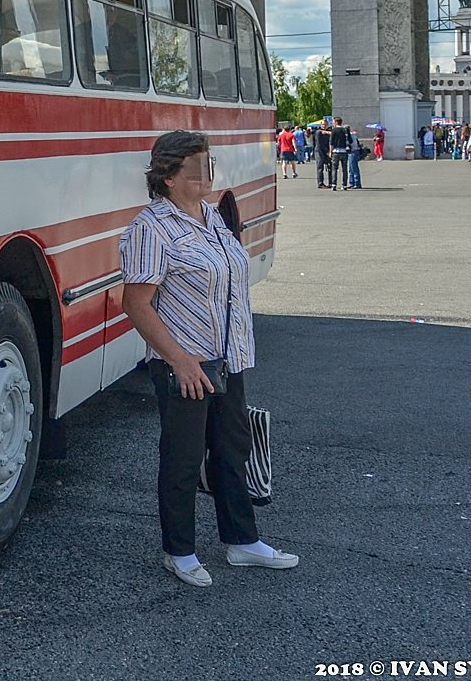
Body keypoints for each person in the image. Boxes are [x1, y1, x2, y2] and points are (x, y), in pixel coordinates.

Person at [120, 131, 298, 588]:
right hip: (187, 362)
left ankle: (242, 541)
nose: (207, 174)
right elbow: (137, 303)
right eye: (196, 167)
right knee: (182, 459)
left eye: (208, 164)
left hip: (229, 357)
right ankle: (178, 550)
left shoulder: (213, 218)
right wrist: (179, 360)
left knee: (229, 450)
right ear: (168, 176)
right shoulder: (151, 228)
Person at [329, 117, 351, 191]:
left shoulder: (334, 130)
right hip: (344, 151)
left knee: (334, 168)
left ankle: (334, 184)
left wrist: (330, 152)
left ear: (335, 122)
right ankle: (344, 185)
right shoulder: (345, 130)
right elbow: (350, 140)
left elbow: (331, 142)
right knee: (344, 169)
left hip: (336, 151)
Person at [311, 123, 332, 188]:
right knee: (320, 167)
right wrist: (330, 133)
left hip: (327, 151)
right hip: (319, 151)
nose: (324, 126)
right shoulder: (318, 132)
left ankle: (331, 183)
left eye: (325, 124)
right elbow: (321, 132)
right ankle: (320, 183)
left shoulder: (328, 133)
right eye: (323, 124)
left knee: (330, 167)